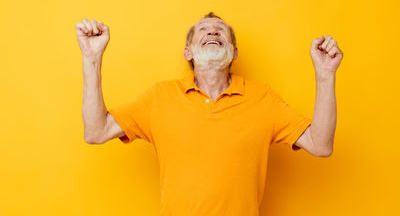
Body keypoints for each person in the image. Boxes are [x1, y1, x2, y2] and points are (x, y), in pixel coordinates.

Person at [75, 12, 343, 216]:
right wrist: (91, 57)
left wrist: (325, 74)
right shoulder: (160, 97)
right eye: (203, 29)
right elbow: (96, 131)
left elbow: (320, 145)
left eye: (221, 30)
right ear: (188, 52)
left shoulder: (263, 98)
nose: (212, 31)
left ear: (234, 52)